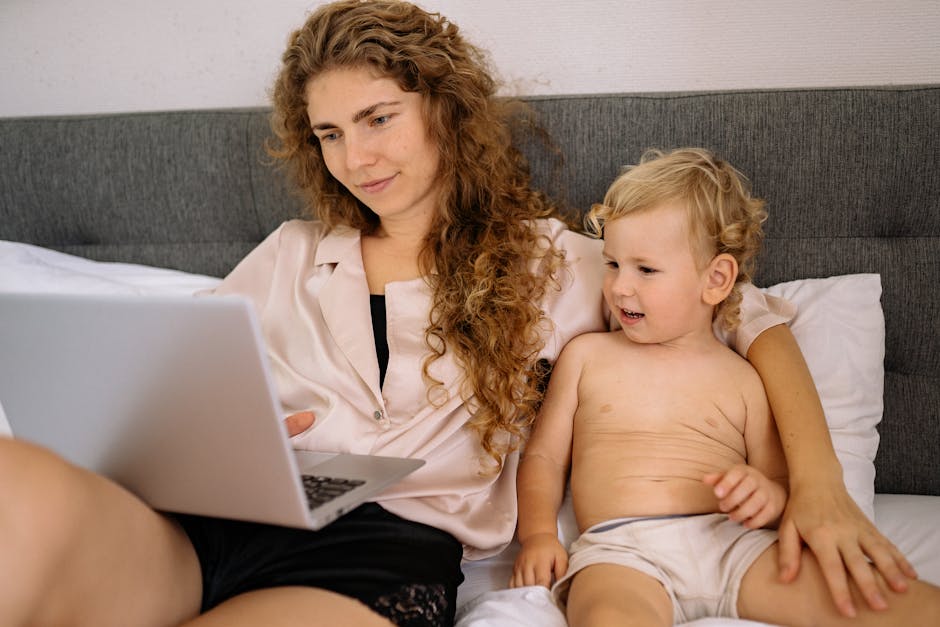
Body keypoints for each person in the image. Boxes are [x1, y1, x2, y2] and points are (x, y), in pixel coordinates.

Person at [0, 2, 915, 626]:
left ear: (444, 110)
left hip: (372, 549)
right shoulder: (287, 253)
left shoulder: (552, 260)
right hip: (208, 515)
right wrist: (225, 428)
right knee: (14, 484)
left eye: (377, 118)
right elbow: (165, 368)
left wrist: (822, 489)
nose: (354, 157)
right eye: (328, 133)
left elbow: (756, 316)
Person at [509, 147, 940, 625]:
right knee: (609, 616)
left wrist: (765, 498)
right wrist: (539, 535)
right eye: (612, 264)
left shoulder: (743, 378)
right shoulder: (587, 356)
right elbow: (544, 458)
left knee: (882, 600)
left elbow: (779, 484)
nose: (620, 287)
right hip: (621, 551)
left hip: (734, 544)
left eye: (645, 269)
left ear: (716, 279)